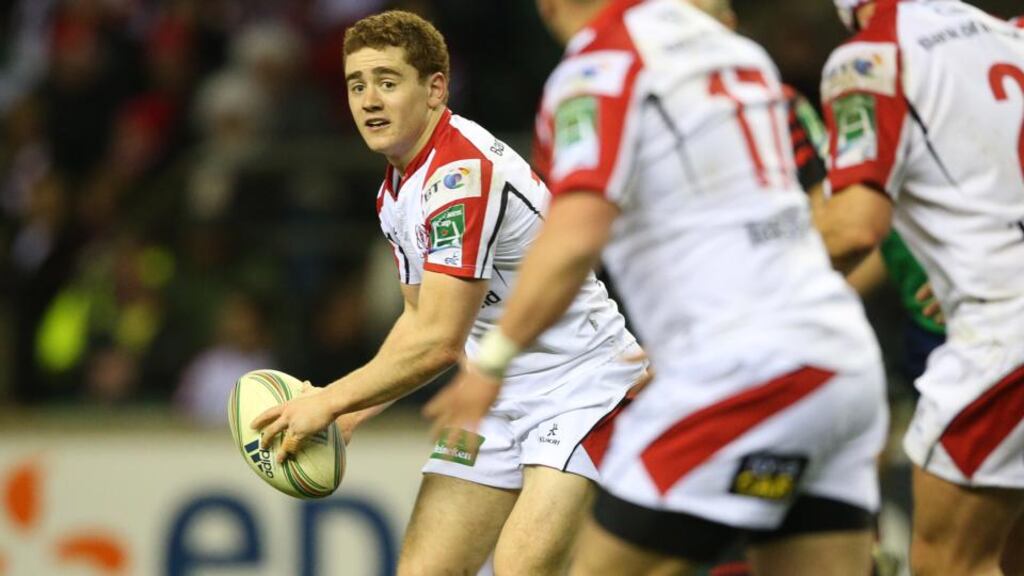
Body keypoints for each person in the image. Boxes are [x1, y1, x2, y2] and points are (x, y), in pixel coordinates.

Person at [426, 1, 888, 574]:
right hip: (841, 363)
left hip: (744, 374)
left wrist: (495, 358)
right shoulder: (737, 53)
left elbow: (575, 235)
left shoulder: (600, 69)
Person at [251, 10, 646, 576]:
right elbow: (418, 318)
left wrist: (329, 398)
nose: (368, 100)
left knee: (522, 568)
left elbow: (438, 342)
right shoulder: (397, 187)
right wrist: (355, 413)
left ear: (435, 88)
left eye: (388, 82)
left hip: (581, 389)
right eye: (356, 85)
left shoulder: (461, 175)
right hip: (491, 396)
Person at [814, 1, 1024, 574]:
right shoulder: (1006, 36)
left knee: (947, 563)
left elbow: (854, 226)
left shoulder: (871, 56)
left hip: (1003, 337)